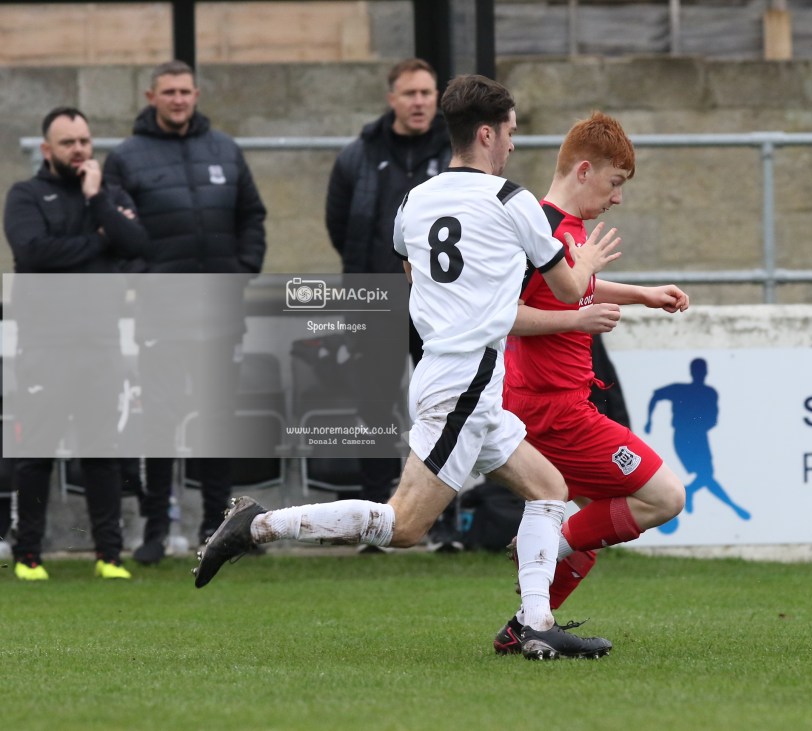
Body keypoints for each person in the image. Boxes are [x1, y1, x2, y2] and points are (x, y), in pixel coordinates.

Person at [194, 74, 622, 660]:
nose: (513, 144)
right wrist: (587, 259)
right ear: (487, 134)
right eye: (511, 132)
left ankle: (535, 624)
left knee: (549, 488)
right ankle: (258, 526)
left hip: (451, 373)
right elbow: (570, 289)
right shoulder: (512, 201)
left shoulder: (412, 201)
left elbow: (413, 279)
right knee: (404, 526)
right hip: (467, 380)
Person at [494, 111, 690, 654]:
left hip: (559, 404)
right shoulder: (545, 229)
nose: (618, 198)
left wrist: (642, 294)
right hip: (554, 413)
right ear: (584, 170)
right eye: (614, 183)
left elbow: (573, 287)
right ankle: (542, 547)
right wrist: (577, 319)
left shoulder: (561, 227)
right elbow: (505, 313)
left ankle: (527, 625)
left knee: (598, 525)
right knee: (664, 497)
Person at [103, 60, 268, 565]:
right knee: (160, 425)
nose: (178, 99)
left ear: (196, 95)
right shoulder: (126, 158)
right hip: (162, 316)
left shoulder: (225, 150)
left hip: (220, 315)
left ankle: (219, 530)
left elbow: (252, 215)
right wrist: (144, 279)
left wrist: (242, 269)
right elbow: (112, 230)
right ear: (151, 97)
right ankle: (155, 531)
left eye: (185, 91)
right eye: (168, 91)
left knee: (217, 425)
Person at [3, 106, 146, 580]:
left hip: (100, 344)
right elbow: (34, 253)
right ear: (47, 149)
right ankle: (28, 556)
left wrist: (97, 201)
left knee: (102, 453)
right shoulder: (25, 195)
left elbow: (136, 244)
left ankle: (109, 556)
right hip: (44, 345)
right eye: (68, 142)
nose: (79, 149)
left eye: (84, 140)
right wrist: (100, 244)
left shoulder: (109, 195)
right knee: (36, 453)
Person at [325, 58, 457, 549]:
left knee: (441, 408)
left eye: (426, 93)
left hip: (439, 305)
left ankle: (439, 522)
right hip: (374, 300)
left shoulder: (455, 153)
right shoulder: (358, 156)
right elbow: (340, 226)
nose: (419, 102)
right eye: (410, 93)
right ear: (392, 99)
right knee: (374, 410)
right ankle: (374, 523)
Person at [645, 357, 751, 521]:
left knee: (706, 475)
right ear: (694, 372)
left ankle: (691, 492)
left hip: (699, 436)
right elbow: (655, 396)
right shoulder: (680, 389)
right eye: (698, 370)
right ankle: (727, 504)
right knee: (706, 474)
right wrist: (649, 420)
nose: (700, 373)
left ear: (705, 372)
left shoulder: (709, 393)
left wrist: (703, 425)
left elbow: (713, 418)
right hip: (684, 436)